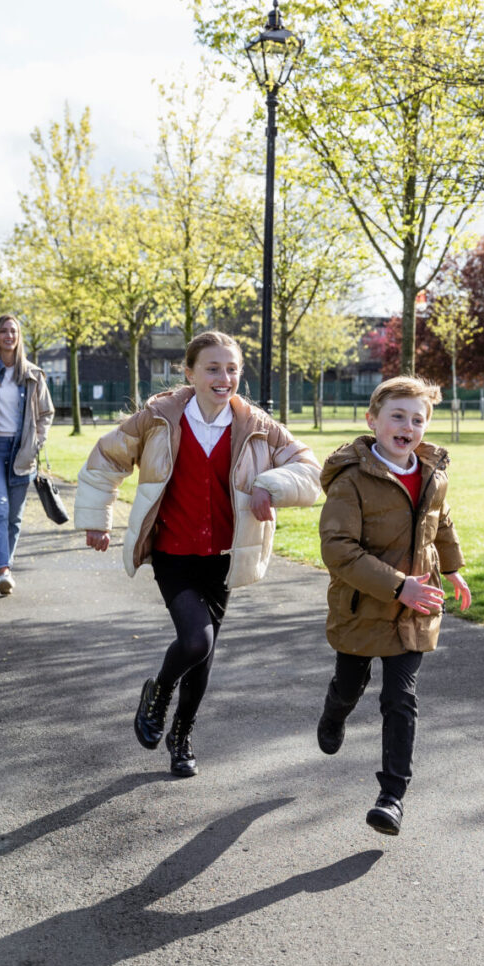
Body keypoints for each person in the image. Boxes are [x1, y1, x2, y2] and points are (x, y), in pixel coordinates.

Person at [74, 330, 321, 777]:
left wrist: (273, 484)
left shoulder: (257, 427)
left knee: (204, 657)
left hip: (225, 555)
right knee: (196, 640)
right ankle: (159, 694)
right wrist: (96, 518)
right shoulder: (159, 418)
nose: (223, 377)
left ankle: (181, 736)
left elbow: (309, 469)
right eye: (212, 368)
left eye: (231, 369)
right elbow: (107, 458)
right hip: (173, 551)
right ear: (188, 372)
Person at [315, 375, 472, 836]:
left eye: (417, 419)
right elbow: (338, 549)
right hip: (364, 607)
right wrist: (398, 585)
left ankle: (392, 796)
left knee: (400, 699)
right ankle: (334, 710)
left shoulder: (432, 474)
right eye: (397, 416)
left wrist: (454, 567)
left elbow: (439, 523)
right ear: (373, 420)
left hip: (415, 609)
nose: (407, 427)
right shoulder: (351, 482)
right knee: (351, 683)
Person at [0, 314, 54, 595]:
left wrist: (37, 442)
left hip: (22, 454)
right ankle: (3, 570)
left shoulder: (32, 374)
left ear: (19, 337)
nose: (8, 336)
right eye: (3, 331)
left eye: (13, 331)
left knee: (15, 518)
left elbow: (46, 413)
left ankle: (6, 564)